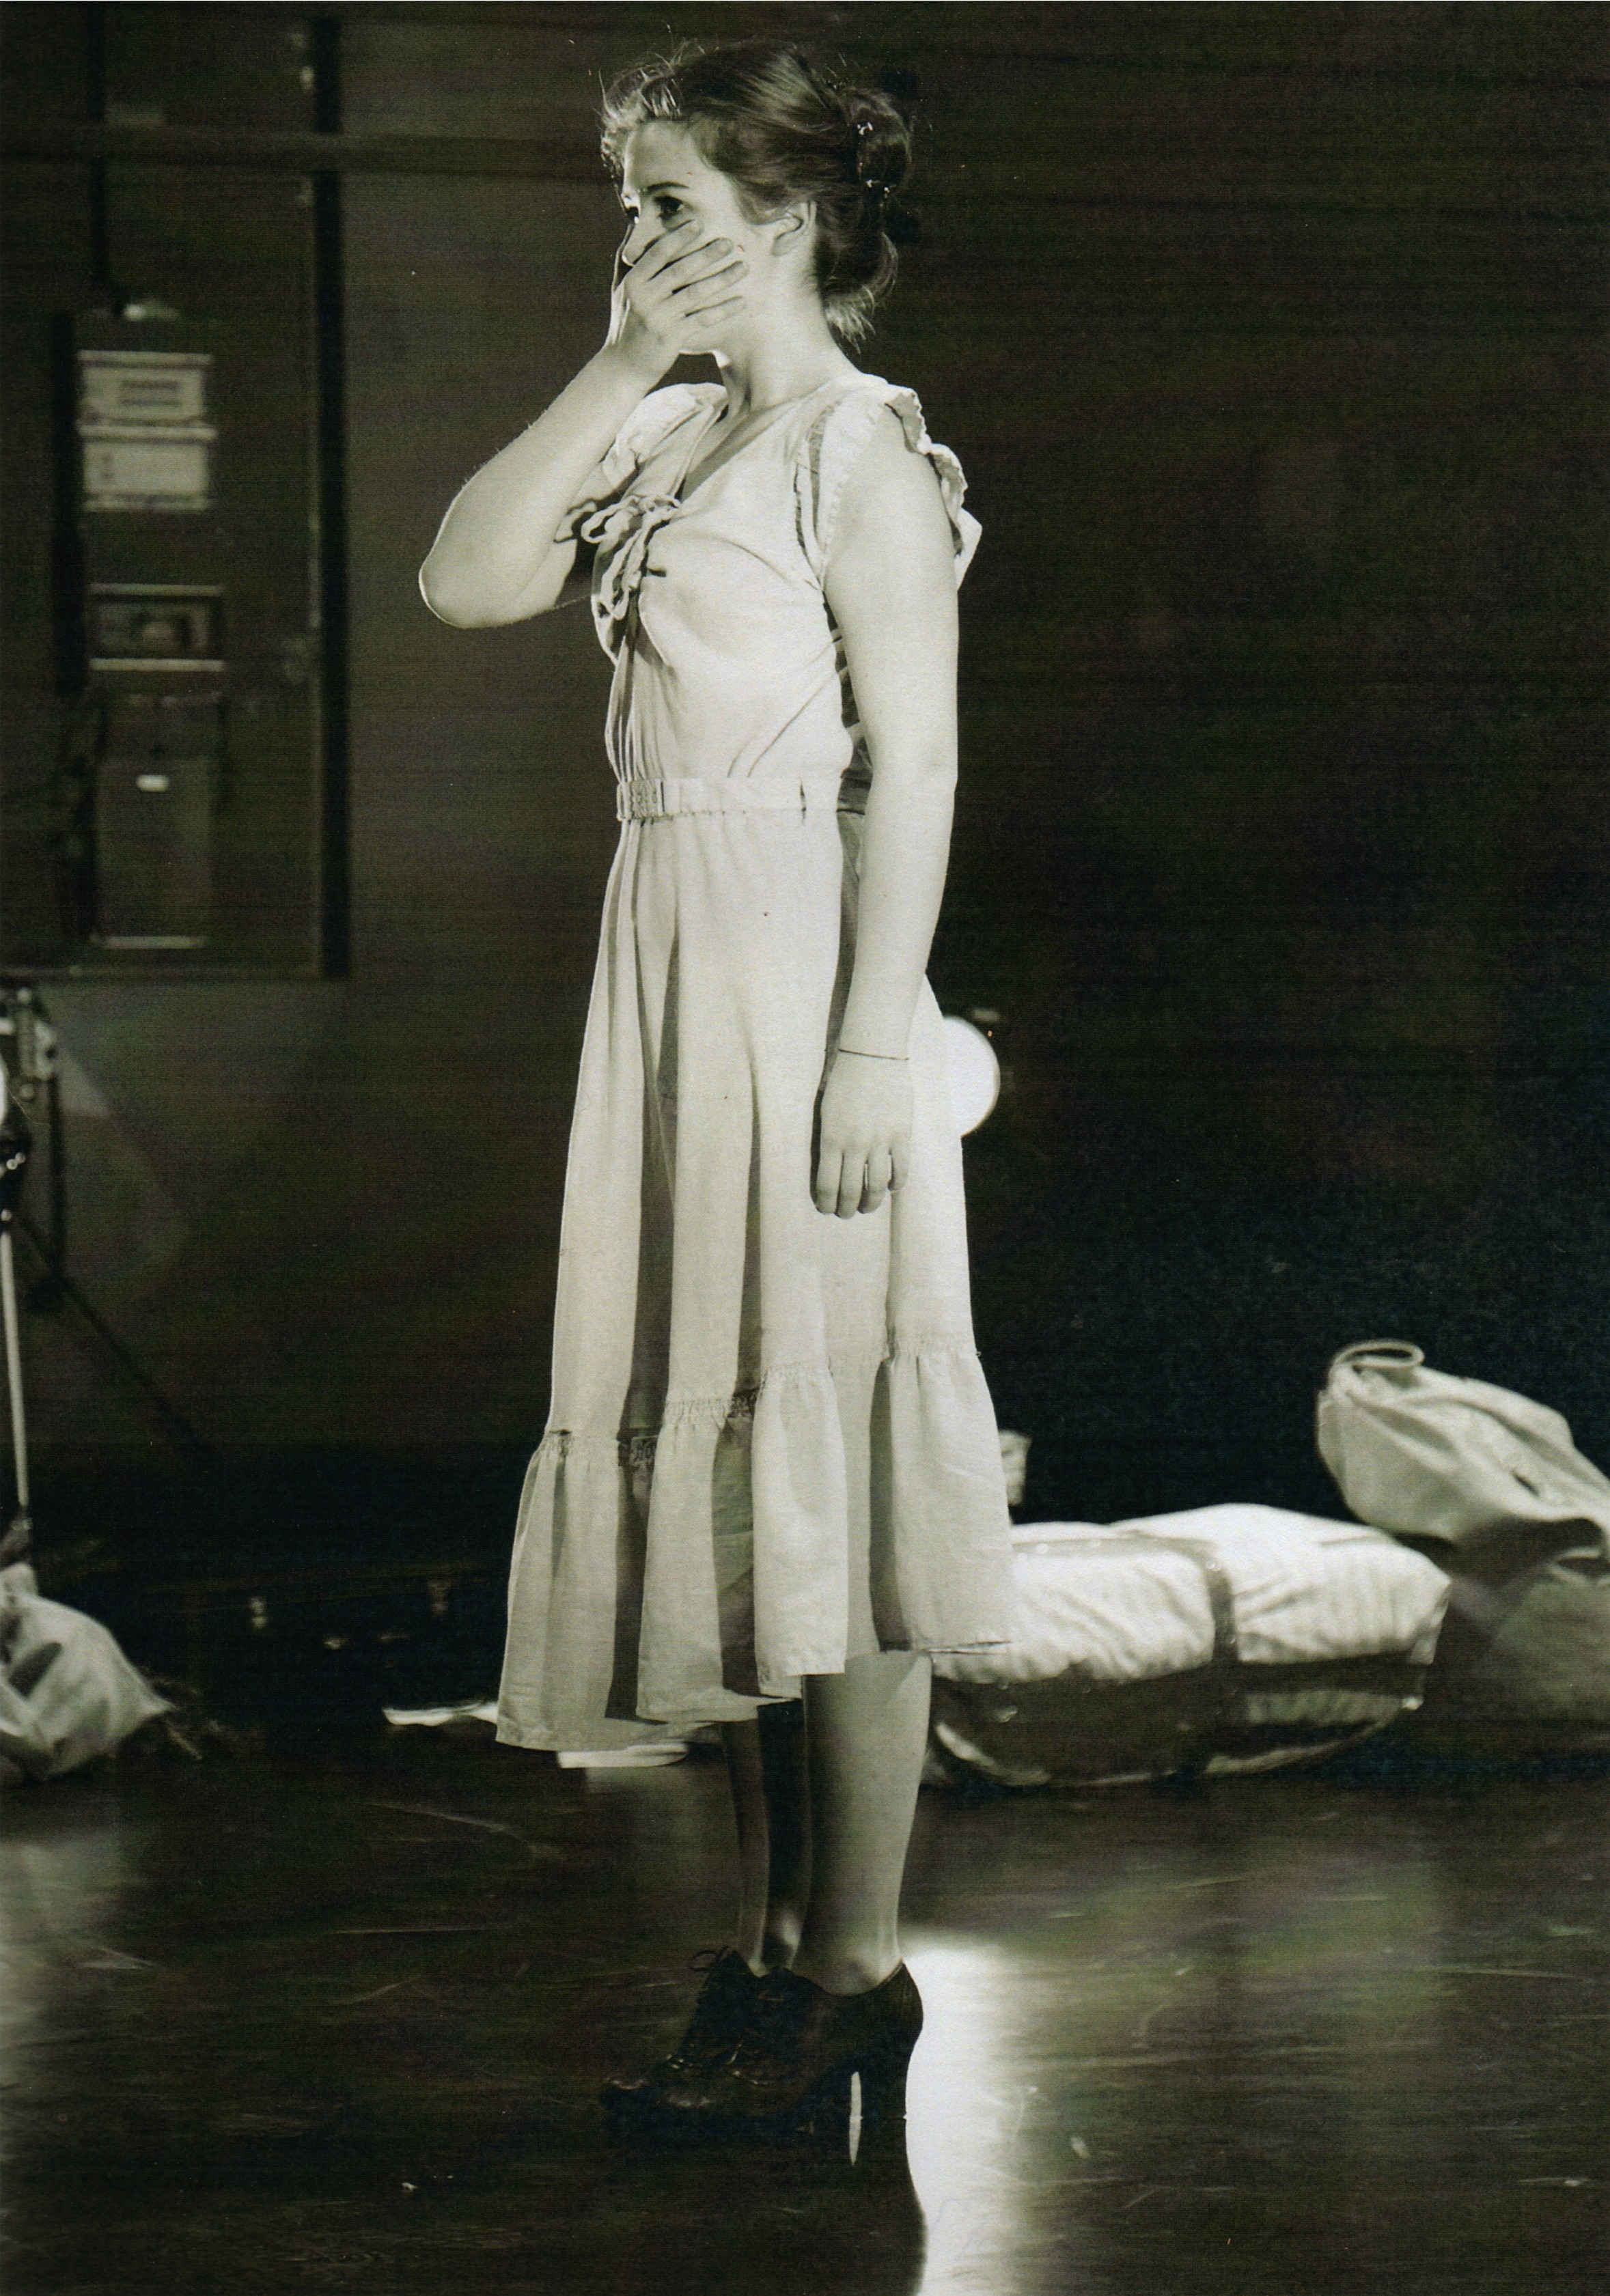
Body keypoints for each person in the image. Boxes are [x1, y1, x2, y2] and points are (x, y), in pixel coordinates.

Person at [421, 38, 1014, 2142]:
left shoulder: (862, 449)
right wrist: (614, 360)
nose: (640, 234)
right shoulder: (674, 428)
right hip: (671, 962)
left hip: (803, 970)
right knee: (741, 1478)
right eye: (631, 203)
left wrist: (872, 1038)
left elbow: (917, 764)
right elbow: (467, 577)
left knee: (833, 1470)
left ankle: (853, 1967)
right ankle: (773, 1963)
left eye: (671, 200)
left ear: (789, 216)